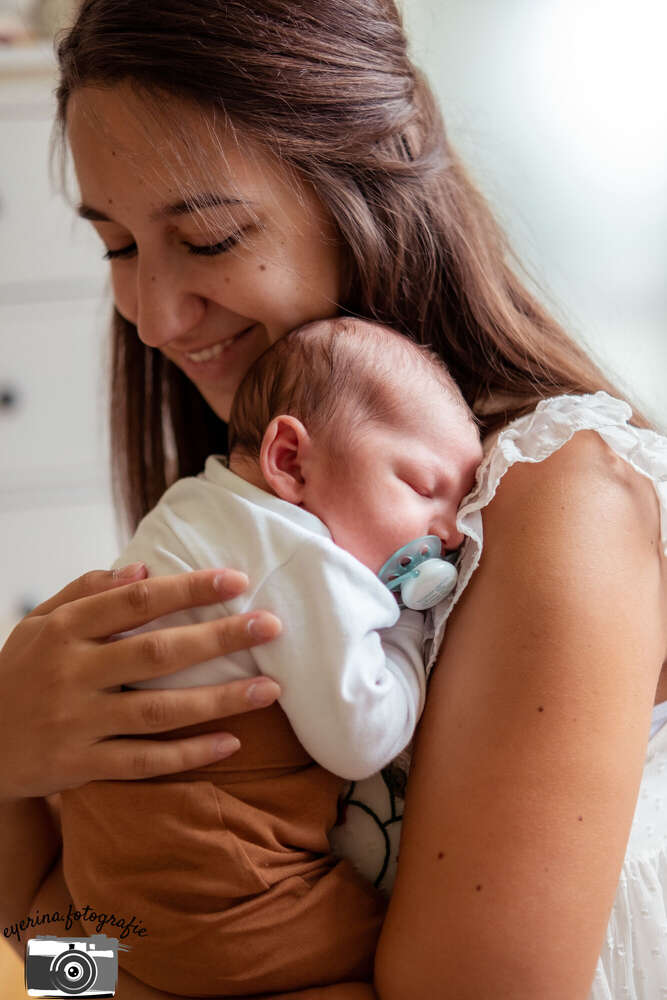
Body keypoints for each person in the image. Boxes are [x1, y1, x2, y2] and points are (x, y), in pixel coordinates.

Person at [0, 1, 665, 998]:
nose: (151, 319)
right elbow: (71, 973)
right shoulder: (256, 555)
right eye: (118, 248)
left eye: (212, 238)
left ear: (362, 192)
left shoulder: (557, 506)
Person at [59, 317, 482, 996]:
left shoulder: (198, 504)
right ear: (290, 460)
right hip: (227, 907)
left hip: (106, 893)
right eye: (421, 486)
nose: (450, 533)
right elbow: (360, 738)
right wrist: (409, 625)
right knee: (426, 956)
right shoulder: (297, 556)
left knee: (65, 967)